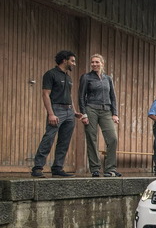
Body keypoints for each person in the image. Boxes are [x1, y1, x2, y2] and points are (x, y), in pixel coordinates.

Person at [32, 50, 82, 178]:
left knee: (64, 141)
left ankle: (57, 168)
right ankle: (37, 168)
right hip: (56, 110)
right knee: (48, 138)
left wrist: (74, 110)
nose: (74, 64)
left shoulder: (68, 77)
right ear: (64, 60)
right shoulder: (51, 74)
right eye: (72, 61)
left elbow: (69, 95)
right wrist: (51, 114)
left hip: (69, 111)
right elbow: (45, 94)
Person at [79, 54, 121, 177]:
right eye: (92, 62)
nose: (94, 64)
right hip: (91, 108)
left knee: (112, 138)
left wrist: (115, 113)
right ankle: (95, 168)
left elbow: (113, 96)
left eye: (97, 62)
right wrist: (84, 114)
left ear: (102, 63)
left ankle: (110, 169)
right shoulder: (86, 77)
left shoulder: (108, 79)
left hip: (106, 110)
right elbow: (81, 96)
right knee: (92, 138)